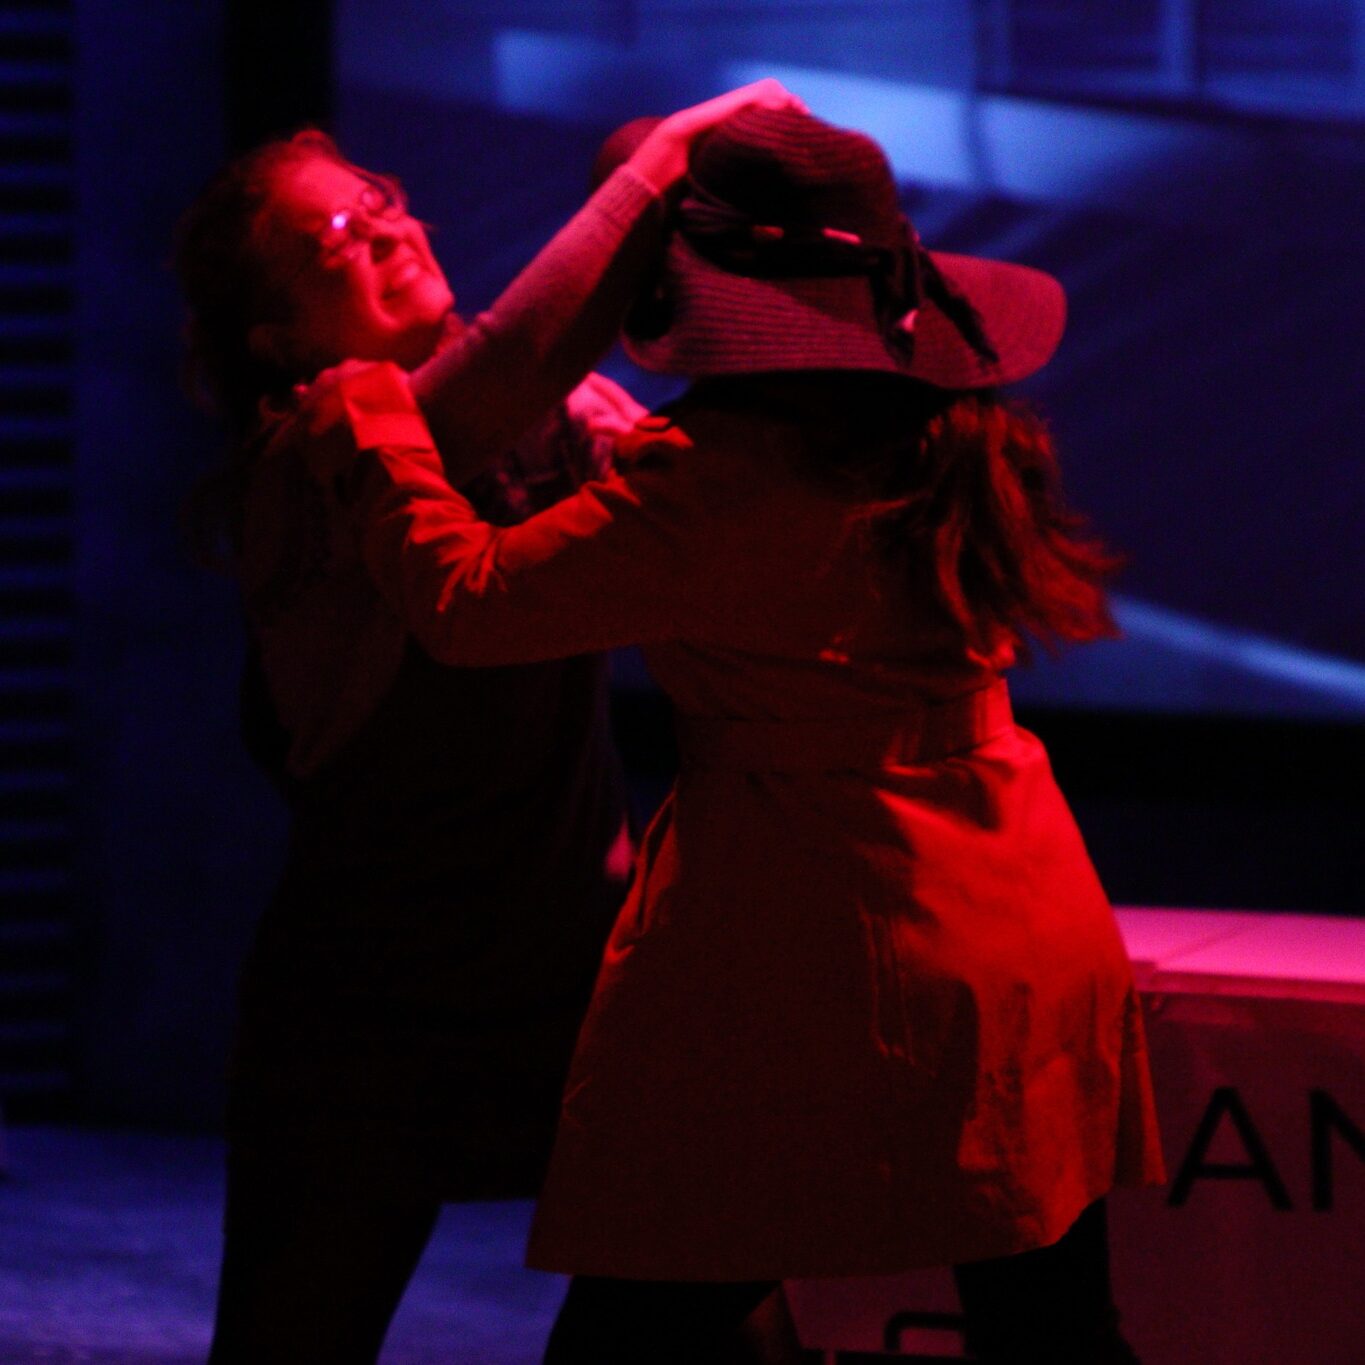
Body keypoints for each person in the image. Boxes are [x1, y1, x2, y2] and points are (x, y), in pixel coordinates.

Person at [301, 105, 1167, 1363]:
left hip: (839, 945)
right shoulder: (955, 423)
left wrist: (376, 425)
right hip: (1024, 912)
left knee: (633, 1333)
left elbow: (471, 603)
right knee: (1054, 1334)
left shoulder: (710, 477)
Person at [172, 81, 801, 1365]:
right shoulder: (304, 463)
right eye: (328, 239)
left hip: (563, 980)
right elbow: (497, 377)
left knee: (721, 1300)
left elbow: (637, 470)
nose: (378, 225)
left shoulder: (551, 422)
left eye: (375, 200)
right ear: (275, 336)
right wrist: (662, 161)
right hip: (370, 1017)